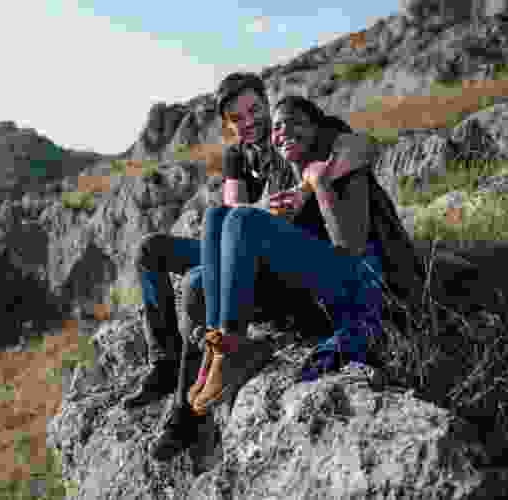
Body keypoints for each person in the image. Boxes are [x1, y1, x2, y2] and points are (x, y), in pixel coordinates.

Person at [180, 94, 428, 423]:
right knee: (215, 220)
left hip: (356, 283)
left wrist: (319, 185)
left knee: (241, 220)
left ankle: (233, 349)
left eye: (296, 122)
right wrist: (284, 212)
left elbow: (350, 248)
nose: (283, 131)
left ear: (317, 129)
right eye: (278, 126)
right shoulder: (287, 179)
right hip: (311, 291)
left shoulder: (341, 169)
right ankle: (219, 349)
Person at [124, 72, 281, 415]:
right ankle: (165, 361)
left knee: (197, 281)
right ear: (227, 125)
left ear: (268, 104)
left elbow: (260, 221)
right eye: (237, 118)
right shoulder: (237, 157)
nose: (249, 122)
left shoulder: (287, 138)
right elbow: (236, 214)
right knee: (150, 249)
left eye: (255, 110)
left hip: (270, 261)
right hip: (236, 249)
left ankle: (194, 388)